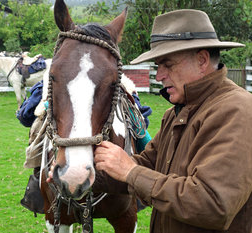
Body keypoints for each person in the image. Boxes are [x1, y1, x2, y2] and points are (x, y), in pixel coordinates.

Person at [93, 9, 252, 233]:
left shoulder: (237, 110)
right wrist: (87, 179)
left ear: (202, 60)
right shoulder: (177, 112)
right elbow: (148, 165)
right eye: (158, 65)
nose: (159, 75)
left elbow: (213, 204)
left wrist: (130, 172)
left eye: (167, 64)